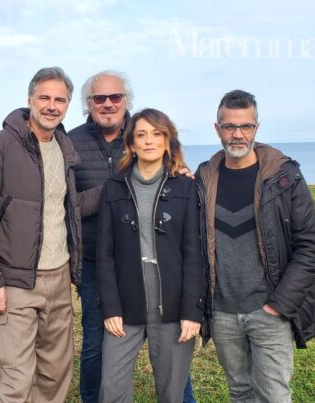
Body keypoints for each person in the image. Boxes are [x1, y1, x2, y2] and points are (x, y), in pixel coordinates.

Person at [68, 71, 197, 403]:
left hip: (165, 273)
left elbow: (193, 249)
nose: (108, 103)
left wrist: (175, 171)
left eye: (115, 97)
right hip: (101, 263)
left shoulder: (177, 179)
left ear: (126, 100)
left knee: (172, 362)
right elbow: (65, 204)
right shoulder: (71, 143)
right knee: (98, 346)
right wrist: (114, 191)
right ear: (89, 104)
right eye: (99, 98)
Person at [195, 90, 315, 402]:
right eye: (229, 127)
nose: (237, 135)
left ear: (257, 127)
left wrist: (279, 304)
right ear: (217, 129)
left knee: (273, 396)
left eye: (246, 126)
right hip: (222, 313)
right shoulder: (203, 178)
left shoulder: (285, 177)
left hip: (269, 310)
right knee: (240, 393)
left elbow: (311, 246)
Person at [0, 67, 82, 403]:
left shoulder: (65, 148)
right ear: (30, 100)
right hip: (14, 282)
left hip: (58, 278)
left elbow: (66, 207)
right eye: (44, 97)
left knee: (55, 372)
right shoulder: (1, 147)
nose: (52, 106)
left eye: (60, 99)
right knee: (17, 376)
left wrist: (124, 188)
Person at [96, 108, 205, 403]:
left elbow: (194, 253)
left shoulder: (186, 187)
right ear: (131, 144)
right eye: (141, 135)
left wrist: (192, 311)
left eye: (157, 134)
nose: (149, 141)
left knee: (172, 392)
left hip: (172, 302)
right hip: (126, 300)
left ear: (168, 141)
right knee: (111, 389)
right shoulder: (114, 187)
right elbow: (104, 253)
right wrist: (110, 307)